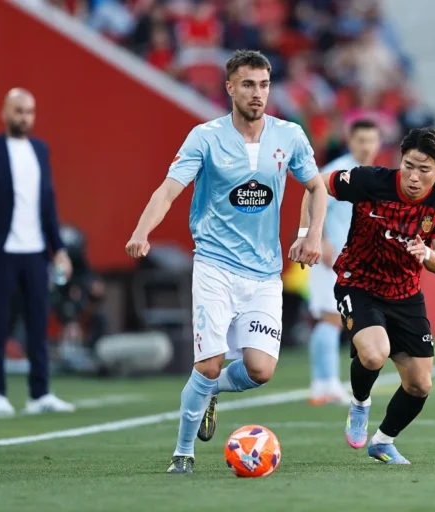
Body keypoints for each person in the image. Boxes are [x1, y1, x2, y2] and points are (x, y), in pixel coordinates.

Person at [125, 49, 328, 475]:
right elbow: (168, 190)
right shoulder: (205, 136)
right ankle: (183, 452)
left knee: (259, 370)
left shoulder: (289, 135)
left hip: (265, 273)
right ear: (230, 87)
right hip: (215, 266)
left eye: (264, 85)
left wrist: (308, 235)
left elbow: (317, 187)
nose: (258, 94)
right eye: (249, 84)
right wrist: (142, 231)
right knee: (208, 362)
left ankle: (208, 391)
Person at [296, 127, 435, 464]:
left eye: (424, 169)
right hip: (359, 282)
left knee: (420, 385)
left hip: (405, 294)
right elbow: (315, 187)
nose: (414, 177)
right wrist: (309, 235)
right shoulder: (370, 180)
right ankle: (359, 403)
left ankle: (383, 441)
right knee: (374, 354)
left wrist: (426, 255)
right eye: (409, 165)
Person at [0, 88, 75, 416]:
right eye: (18, 111)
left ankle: (39, 394)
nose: (24, 117)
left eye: (29, 112)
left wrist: (60, 250)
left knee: (39, 325)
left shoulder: (40, 150)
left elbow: (47, 204)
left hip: (35, 251)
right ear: (5, 112)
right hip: (1, 252)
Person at [306, 119, 381, 405]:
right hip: (331, 255)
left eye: (371, 140)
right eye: (361, 140)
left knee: (340, 321)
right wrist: (320, 238)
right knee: (331, 318)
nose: (366, 146)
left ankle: (324, 383)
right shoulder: (336, 171)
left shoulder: (375, 174)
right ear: (350, 141)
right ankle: (324, 384)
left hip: (356, 261)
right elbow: (314, 199)